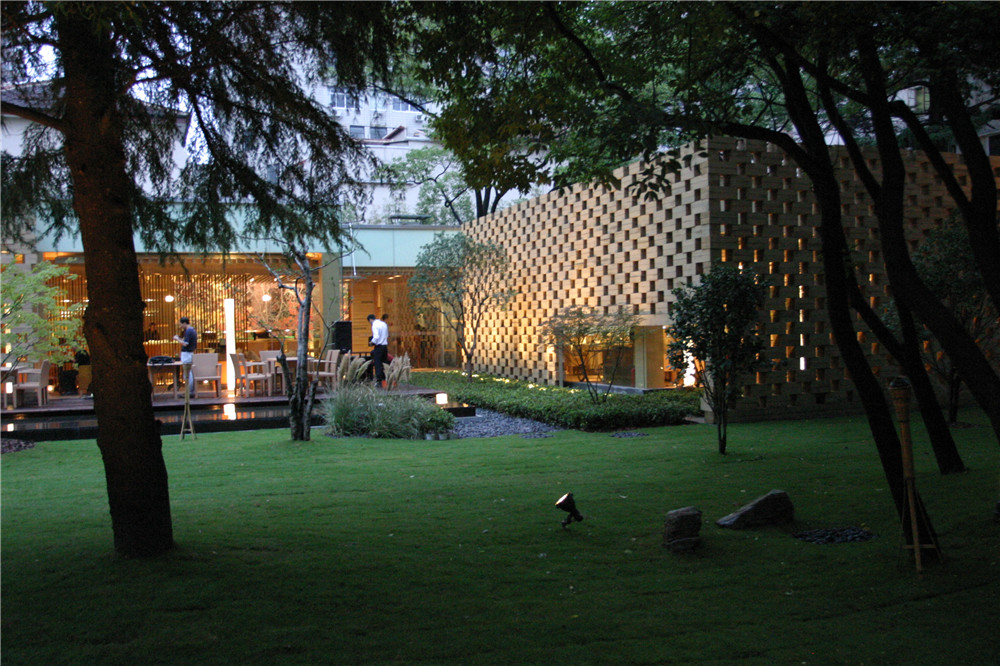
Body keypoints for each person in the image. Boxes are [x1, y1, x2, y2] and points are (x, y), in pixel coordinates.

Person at [173, 316, 197, 398]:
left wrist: (177, 339)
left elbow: (185, 343)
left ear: (184, 323)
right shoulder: (192, 330)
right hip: (189, 353)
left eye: (181, 324)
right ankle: (190, 391)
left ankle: (189, 392)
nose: (180, 326)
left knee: (187, 373)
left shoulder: (189, 331)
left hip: (187, 354)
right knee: (189, 373)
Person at [367, 313, 389, 388]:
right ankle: (385, 380)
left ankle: (379, 381)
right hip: (385, 346)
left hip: (379, 346)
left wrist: (371, 342)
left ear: (370, 320)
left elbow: (376, 336)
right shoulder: (383, 324)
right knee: (384, 363)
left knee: (378, 363)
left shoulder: (374, 325)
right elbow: (386, 335)